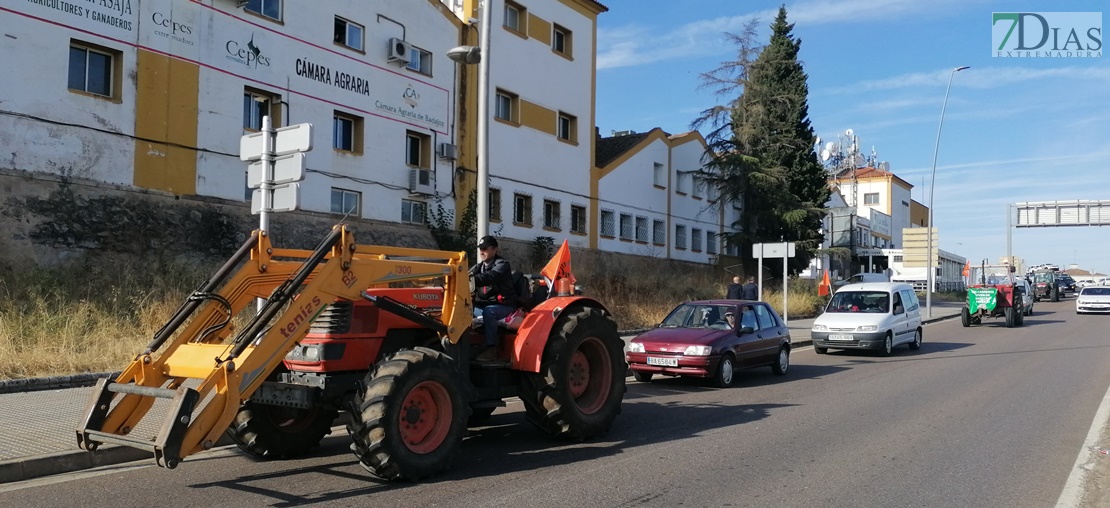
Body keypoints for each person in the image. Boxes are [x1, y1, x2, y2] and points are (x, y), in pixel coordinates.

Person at [470, 236, 516, 361]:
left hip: (504, 306)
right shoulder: (477, 268)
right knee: (463, 308)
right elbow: (466, 275)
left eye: (485, 248)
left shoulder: (502, 265)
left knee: (489, 312)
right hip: (483, 305)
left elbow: (491, 276)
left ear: (495, 249)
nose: (481, 252)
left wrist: (471, 280)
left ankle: (491, 349)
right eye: (480, 249)